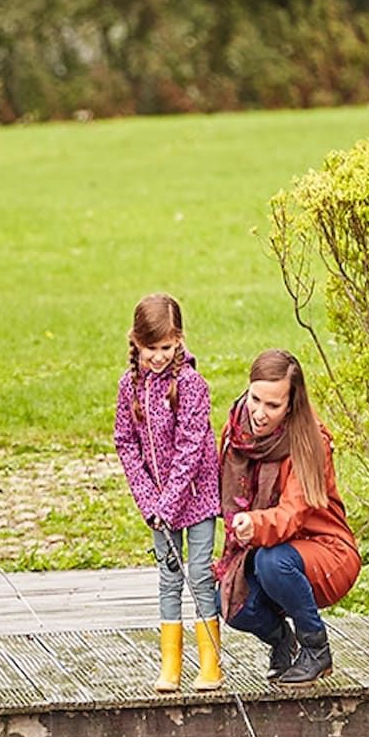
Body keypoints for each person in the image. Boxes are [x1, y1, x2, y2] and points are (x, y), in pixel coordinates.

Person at [214, 349, 360, 685]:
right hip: (265, 549)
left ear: (291, 405)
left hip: (324, 550)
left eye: (273, 406)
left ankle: (316, 649)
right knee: (230, 598)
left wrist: (254, 524)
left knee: (272, 562)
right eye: (255, 399)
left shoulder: (310, 442)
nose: (260, 414)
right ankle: (283, 642)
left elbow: (293, 514)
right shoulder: (235, 433)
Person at [112, 292, 222, 692]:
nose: (158, 356)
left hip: (197, 497)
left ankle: (210, 664)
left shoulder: (192, 385)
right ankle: (170, 666)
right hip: (157, 505)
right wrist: (149, 501)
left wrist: (169, 502)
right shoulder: (129, 386)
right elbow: (124, 442)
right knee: (168, 577)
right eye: (150, 348)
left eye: (166, 347)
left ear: (179, 340)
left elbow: (193, 446)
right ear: (136, 342)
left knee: (198, 573)